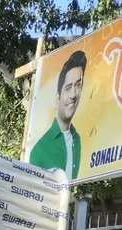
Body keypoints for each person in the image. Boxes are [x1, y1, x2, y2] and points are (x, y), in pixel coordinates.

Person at [29, 50, 86, 180]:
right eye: (68, 87)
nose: (73, 95)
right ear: (57, 97)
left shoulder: (77, 140)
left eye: (78, 85)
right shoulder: (40, 150)